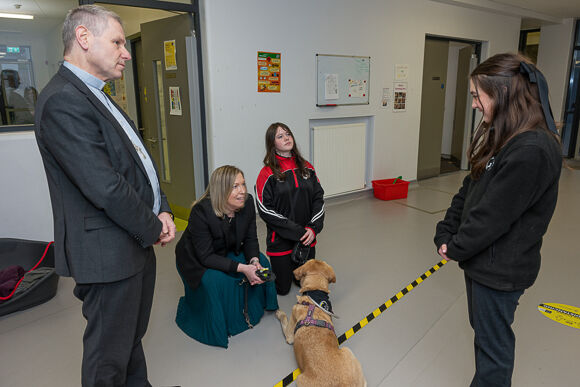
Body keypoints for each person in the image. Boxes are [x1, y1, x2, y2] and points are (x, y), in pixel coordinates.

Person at [34, 5, 176, 386]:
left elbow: (138, 161)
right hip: (107, 253)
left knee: (130, 340)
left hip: (131, 240)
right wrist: (153, 227)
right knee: (106, 359)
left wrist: (161, 208)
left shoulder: (97, 93)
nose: (126, 52)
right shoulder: (62, 100)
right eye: (117, 42)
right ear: (83, 38)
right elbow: (106, 187)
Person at [434, 53, 562, 387]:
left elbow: (493, 217)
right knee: (485, 336)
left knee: (493, 349)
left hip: (500, 269)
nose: (474, 104)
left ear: (503, 94)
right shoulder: (505, 136)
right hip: (481, 261)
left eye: (478, 95)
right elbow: (470, 188)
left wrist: (456, 246)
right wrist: (446, 230)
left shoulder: (532, 149)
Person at [175, 165, 278, 348]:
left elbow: (250, 239)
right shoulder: (201, 211)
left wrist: (253, 261)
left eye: (243, 184)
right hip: (196, 258)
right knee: (214, 281)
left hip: (225, 248)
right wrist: (243, 268)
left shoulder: (247, 202)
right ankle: (224, 322)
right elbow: (206, 257)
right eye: (235, 186)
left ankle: (253, 309)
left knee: (262, 262)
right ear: (221, 190)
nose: (242, 191)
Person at [256, 122, 325, 295]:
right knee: (283, 289)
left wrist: (312, 228)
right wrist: (297, 231)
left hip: (307, 238)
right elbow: (266, 210)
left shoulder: (307, 167)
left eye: (288, 134)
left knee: (304, 285)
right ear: (272, 144)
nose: (286, 138)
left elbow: (318, 199)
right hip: (280, 241)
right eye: (280, 136)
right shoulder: (267, 173)